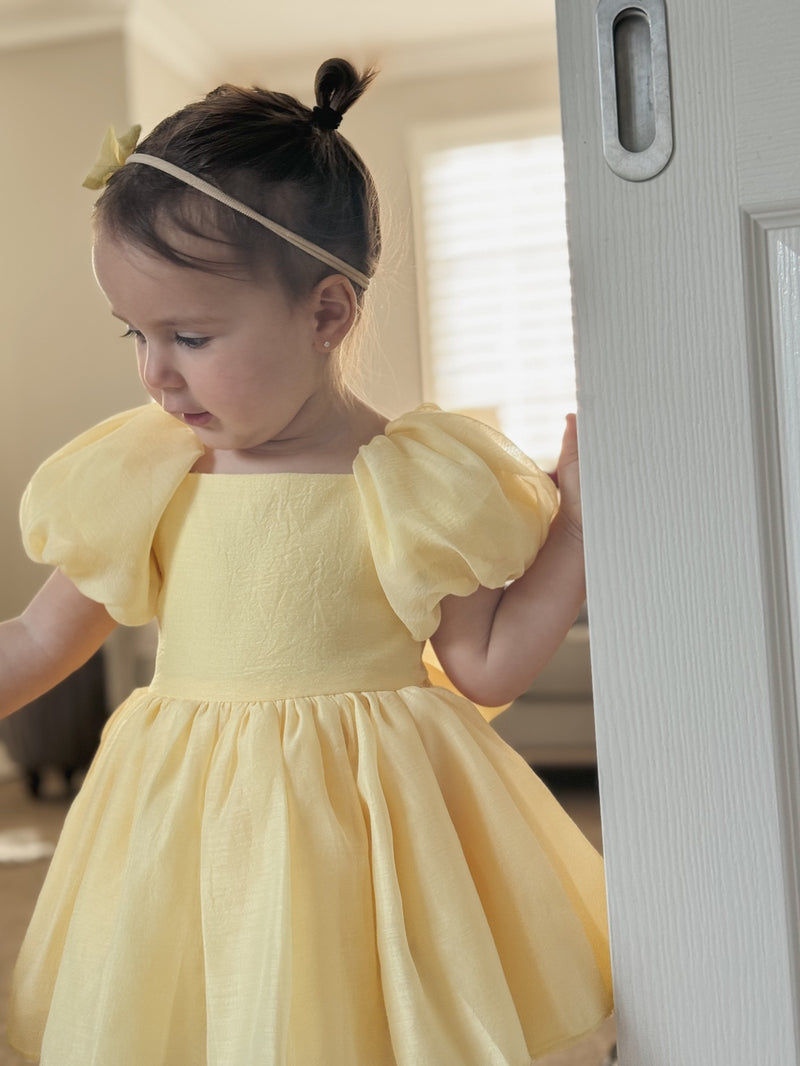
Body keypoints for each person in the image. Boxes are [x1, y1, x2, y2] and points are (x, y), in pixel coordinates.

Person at [0, 58, 612, 1066]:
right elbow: (36, 637)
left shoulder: (410, 479)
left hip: (373, 832)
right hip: (189, 829)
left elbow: (485, 667)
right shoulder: (145, 472)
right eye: (136, 335)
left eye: (190, 335)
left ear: (325, 313)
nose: (155, 372)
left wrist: (578, 530)